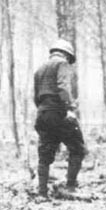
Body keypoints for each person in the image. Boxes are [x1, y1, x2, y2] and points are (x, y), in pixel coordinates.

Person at [33, 39, 86, 198]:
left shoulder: (39, 70)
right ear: (66, 55)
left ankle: (42, 193)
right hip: (59, 112)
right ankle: (70, 186)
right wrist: (69, 107)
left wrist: (45, 109)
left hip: (43, 113)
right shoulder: (62, 64)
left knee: (45, 155)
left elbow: (36, 96)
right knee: (78, 148)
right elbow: (63, 87)